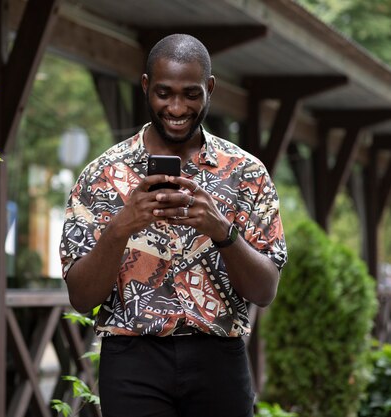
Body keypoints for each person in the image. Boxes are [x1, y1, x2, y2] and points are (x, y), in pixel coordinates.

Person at [59, 33, 287, 417]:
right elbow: (81, 297)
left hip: (219, 358)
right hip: (132, 360)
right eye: (164, 93)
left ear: (209, 89)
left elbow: (264, 291)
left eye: (191, 94)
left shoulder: (246, 173)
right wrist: (121, 226)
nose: (177, 107)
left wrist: (221, 230)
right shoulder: (101, 175)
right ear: (146, 86)